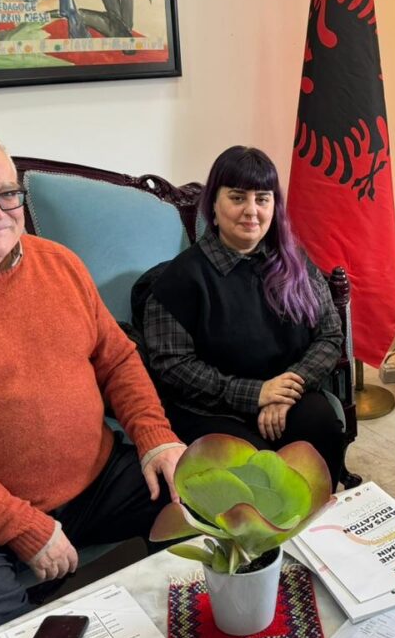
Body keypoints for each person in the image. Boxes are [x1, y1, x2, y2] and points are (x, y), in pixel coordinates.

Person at [0, 122, 185, 638]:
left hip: (98, 477)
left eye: (7, 194)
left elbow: (117, 358)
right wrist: (20, 524)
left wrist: (154, 437)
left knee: (200, 501)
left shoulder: (59, 264)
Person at [140, 146, 346, 488]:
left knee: (320, 427)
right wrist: (256, 393)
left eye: (262, 199)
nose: (252, 211)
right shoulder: (180, 280)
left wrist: (285, 390)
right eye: (237, 198)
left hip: (286, 394)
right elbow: (173, 366)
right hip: (211, 409)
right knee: (255, 474)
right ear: (213, 205)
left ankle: (317, 520)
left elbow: (330, 335)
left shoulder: (294, 263)